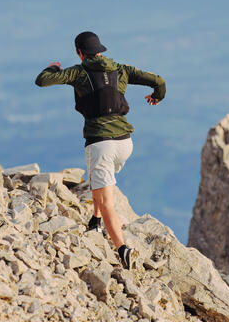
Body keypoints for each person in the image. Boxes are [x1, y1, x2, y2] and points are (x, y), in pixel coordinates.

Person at [34, 31, 166, 269]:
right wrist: (157, 97)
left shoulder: (77, 72)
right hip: (125, 143)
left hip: (101, 143)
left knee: (107, 202)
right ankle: (95, 220)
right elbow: (158, 81)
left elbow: (42, 80)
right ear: (100, 50)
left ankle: (122, 249)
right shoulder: (121, 69)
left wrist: (53, 67)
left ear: (80, 53)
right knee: (99, 182)